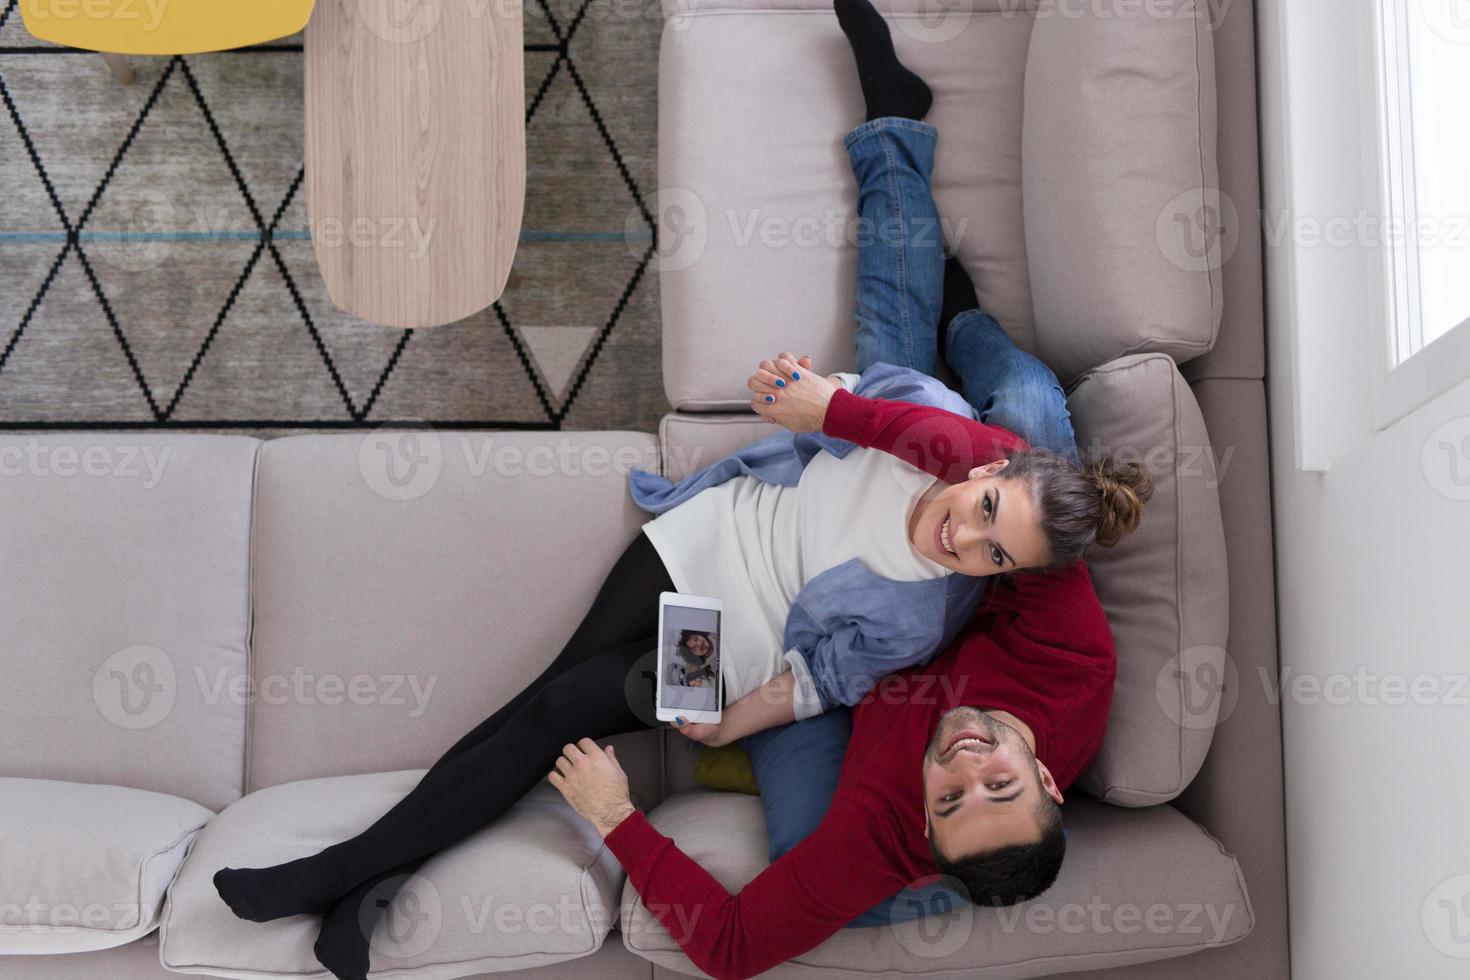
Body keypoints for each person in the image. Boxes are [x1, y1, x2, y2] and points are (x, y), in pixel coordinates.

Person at [210, 3, 1148, 978]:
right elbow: (984, 463)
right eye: (990, 776)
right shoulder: (1053, 633)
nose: (959, 763)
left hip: (734, 638)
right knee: (998, 394)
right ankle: (359, 886)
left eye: (948, 796)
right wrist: (833, 411)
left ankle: (340, 875)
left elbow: (742, 926)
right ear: (1042, 771)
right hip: (724, 532)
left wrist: (633, 811)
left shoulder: (889, 807)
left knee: (560, 705)